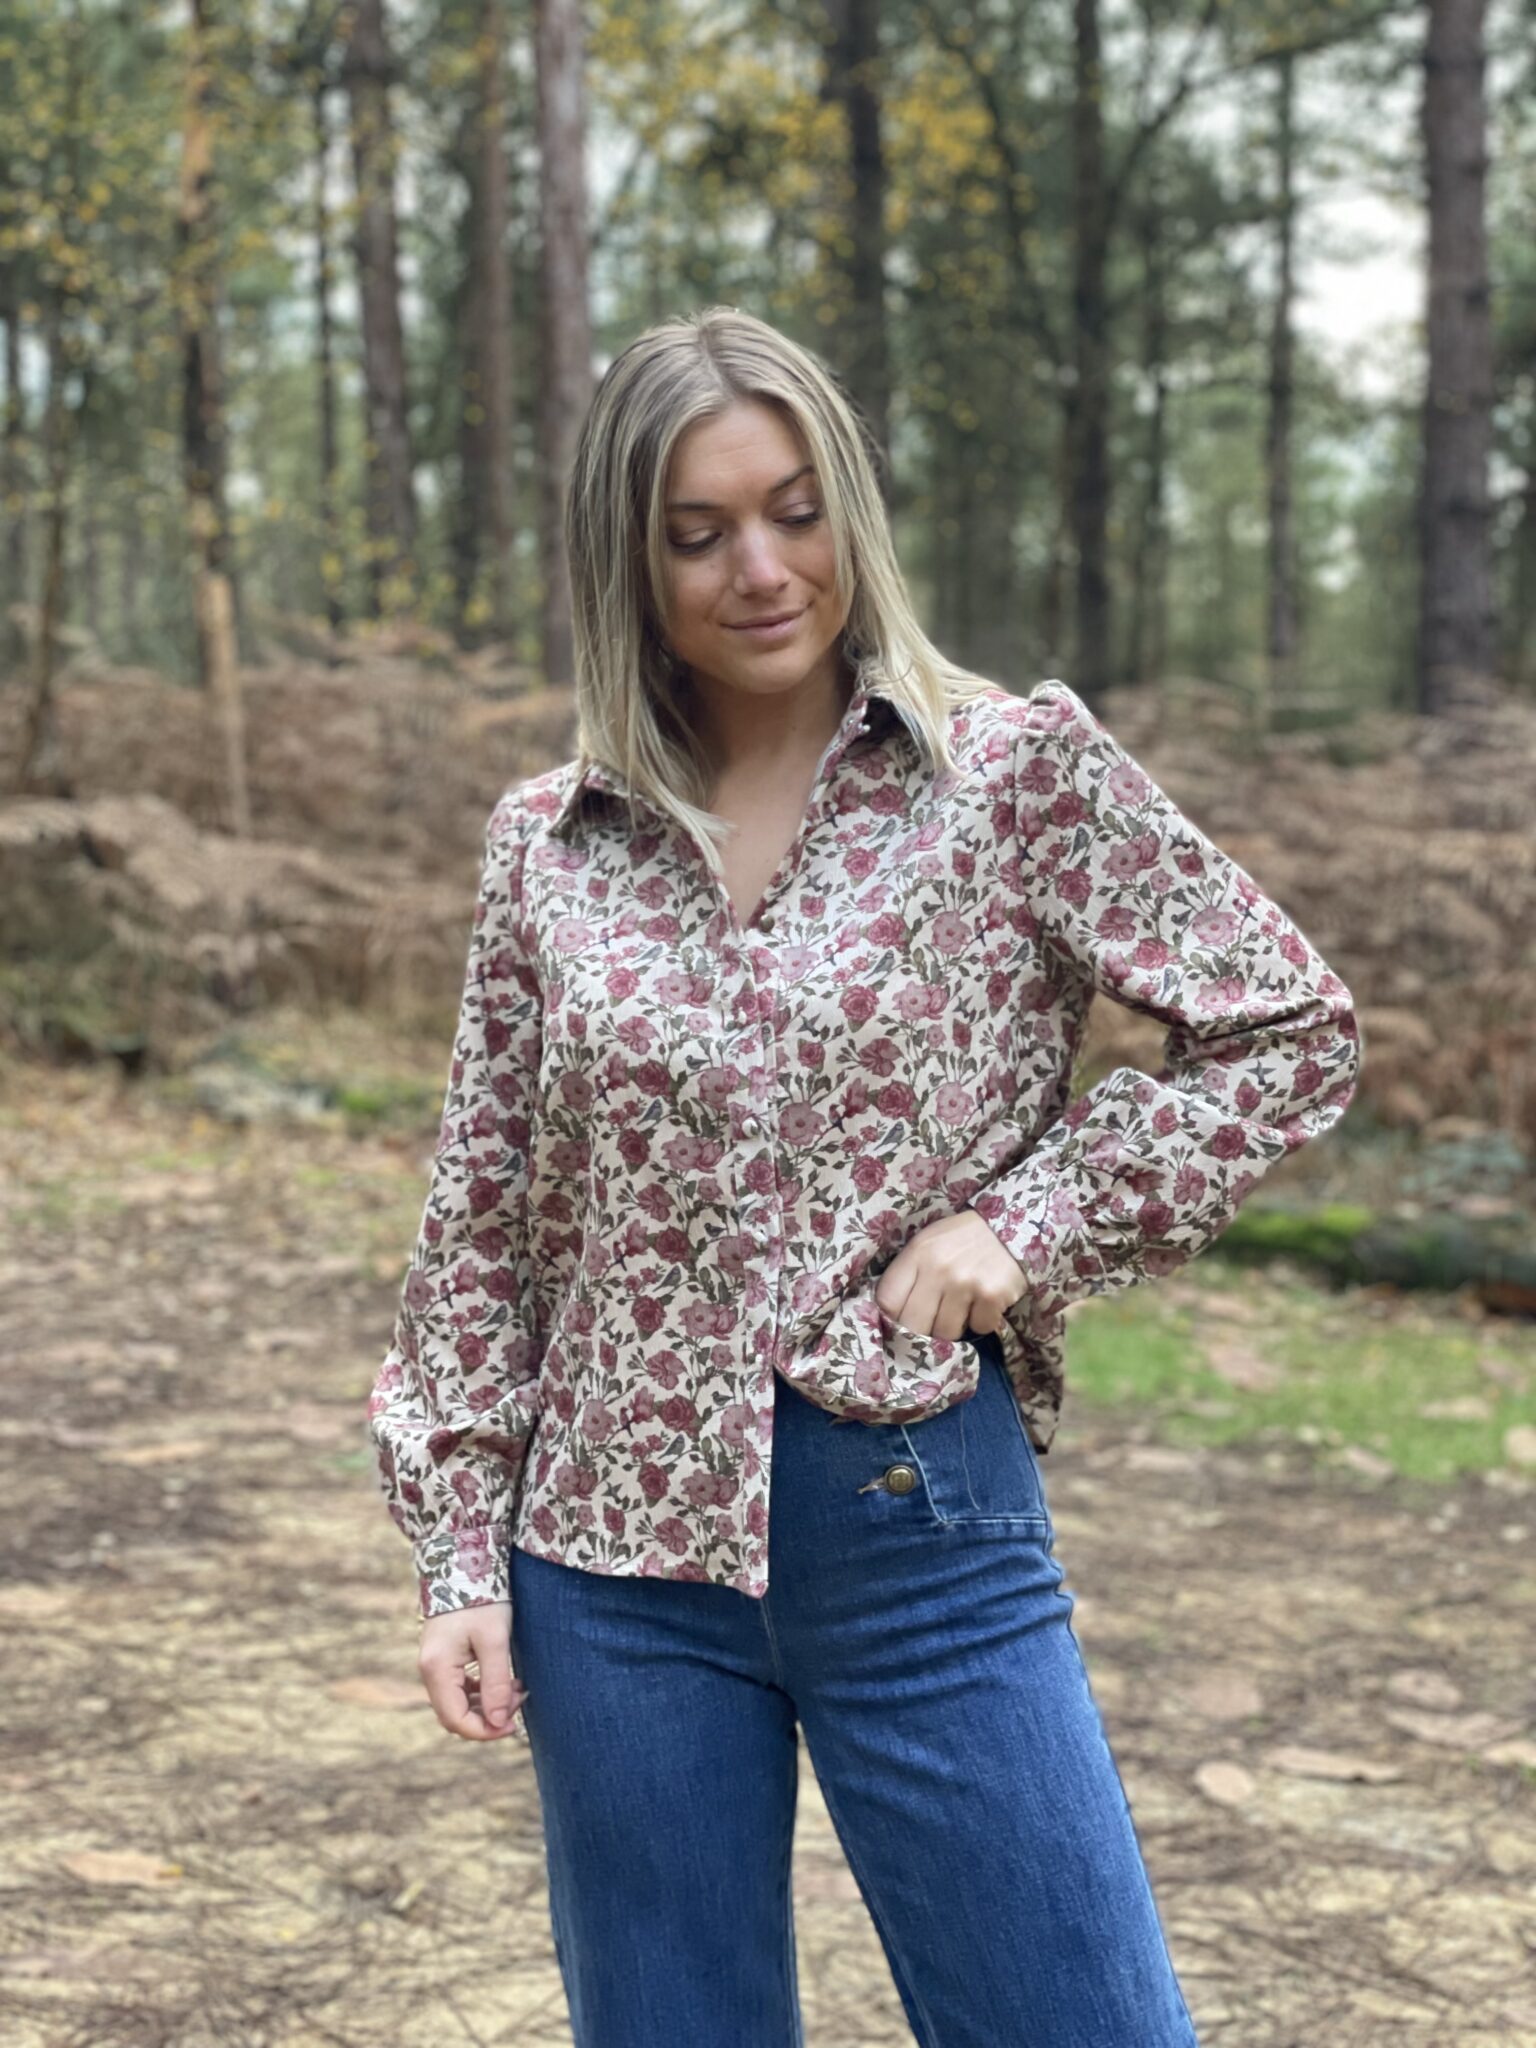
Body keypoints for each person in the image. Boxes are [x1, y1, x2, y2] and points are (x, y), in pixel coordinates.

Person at [366, 304, 1361, 2047]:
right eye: (698, 533)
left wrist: (1027, 1224)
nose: (762, 570)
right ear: (628, 562)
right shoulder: (552, 844)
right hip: (608, 1569)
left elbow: (1289, 1026)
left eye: (796, 511)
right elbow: (487, 1227)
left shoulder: (1008, 772)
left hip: (915, 1516)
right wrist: (460, 1558)